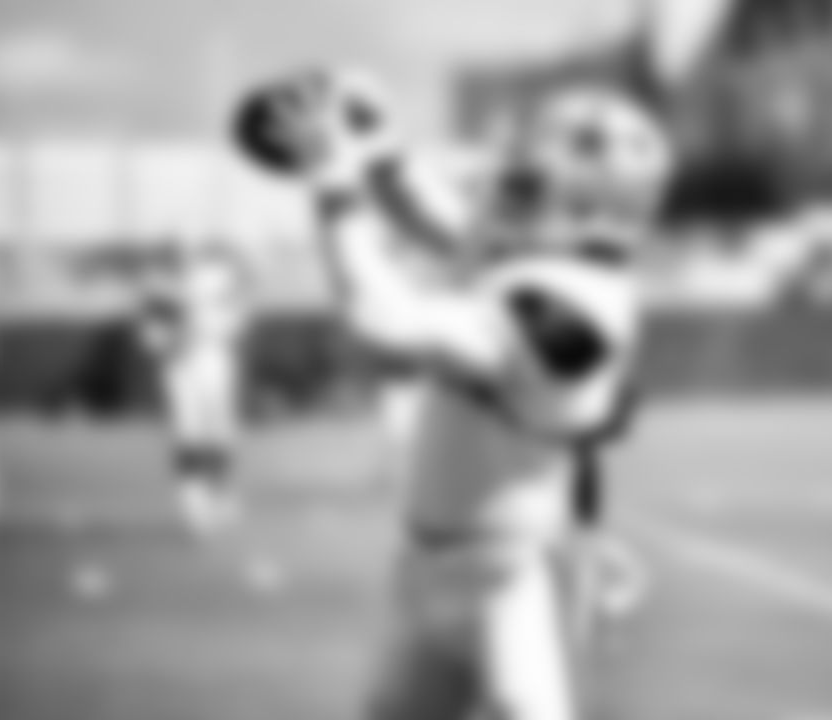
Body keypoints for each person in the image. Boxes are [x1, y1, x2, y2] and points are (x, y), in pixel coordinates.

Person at [232, 68, 671, 720]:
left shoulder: (576, 305)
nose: (502, 191)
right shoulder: (550, 256)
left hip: (513, 577)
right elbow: (439, 217)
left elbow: (382, 319)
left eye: (524, 184)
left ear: (590, 208)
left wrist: (332, 179)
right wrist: (378, 146)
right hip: (426, 566)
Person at [137, 241, 251, 538]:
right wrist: (169, 339)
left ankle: (220, 490)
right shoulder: (159, 283)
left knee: (219, 430)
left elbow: (238, 312)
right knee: (187, 431)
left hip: (214, 356)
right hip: (180, 363)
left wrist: (221, 324)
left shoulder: (217, 275)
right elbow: (150, 332)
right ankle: (193, 501)